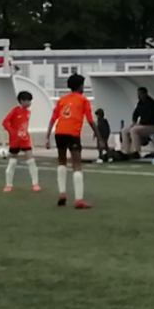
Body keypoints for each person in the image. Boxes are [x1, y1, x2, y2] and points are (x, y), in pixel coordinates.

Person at [46, 73, 99, 209]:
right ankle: (78, 200)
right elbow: (90, 120)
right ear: (81, 86)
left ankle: (62, 194)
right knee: (77, 165)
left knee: (62, 162)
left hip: (59, 133)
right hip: (72, 133)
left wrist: (47, 137)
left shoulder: (62, 100)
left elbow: (53, 118)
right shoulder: (83, 100)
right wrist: (99, 136)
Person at [2, 90, 40, 193]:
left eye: (30, 101)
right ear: (22, 101)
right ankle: (8, 185)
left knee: (31, 160)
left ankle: (35, 184)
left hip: (25, 140)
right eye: (28, 101)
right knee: (12, 162)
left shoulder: (28, 112)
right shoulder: (15, 111)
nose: (30, 103)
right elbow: (5, 122)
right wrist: (12, 132)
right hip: (15, 141)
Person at [121, 87, 154, 157]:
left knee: (134, 130)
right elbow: (135, 113)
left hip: (153, 126)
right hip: (143, 126)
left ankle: (136, 152)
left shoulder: (152, 104)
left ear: (145, 94)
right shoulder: (140, 103)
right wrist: (134, 122)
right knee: (124, 130)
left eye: (140, 94)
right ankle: (126, 151)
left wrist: (138, 125)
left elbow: (151, 118)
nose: (139, 96)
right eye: (138, 94)